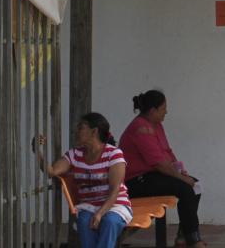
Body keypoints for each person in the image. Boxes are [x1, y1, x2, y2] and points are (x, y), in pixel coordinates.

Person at [119, 90, 205, 248]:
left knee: (195, 185)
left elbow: (167, 152)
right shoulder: (141, 128)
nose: (166, 111)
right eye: (163, 108)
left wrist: (180, 170)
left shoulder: (156, 125)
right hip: (136, 181)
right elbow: (158, 163)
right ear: (153, 110)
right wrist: (182, 178)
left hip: (152, 176)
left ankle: (183, 237)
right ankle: (193, 240)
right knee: (186, 188)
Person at [35, 113, 131, 248]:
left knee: (109, 221)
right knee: (84, 221)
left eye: (81, 127)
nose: (76, 131)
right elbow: (51, 172)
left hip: (114, 205)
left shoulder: (114, 154)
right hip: (89, 206)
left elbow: (115, 190)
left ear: (94, 131)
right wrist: (37, 151)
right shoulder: (75, 154)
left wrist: (100, 213)